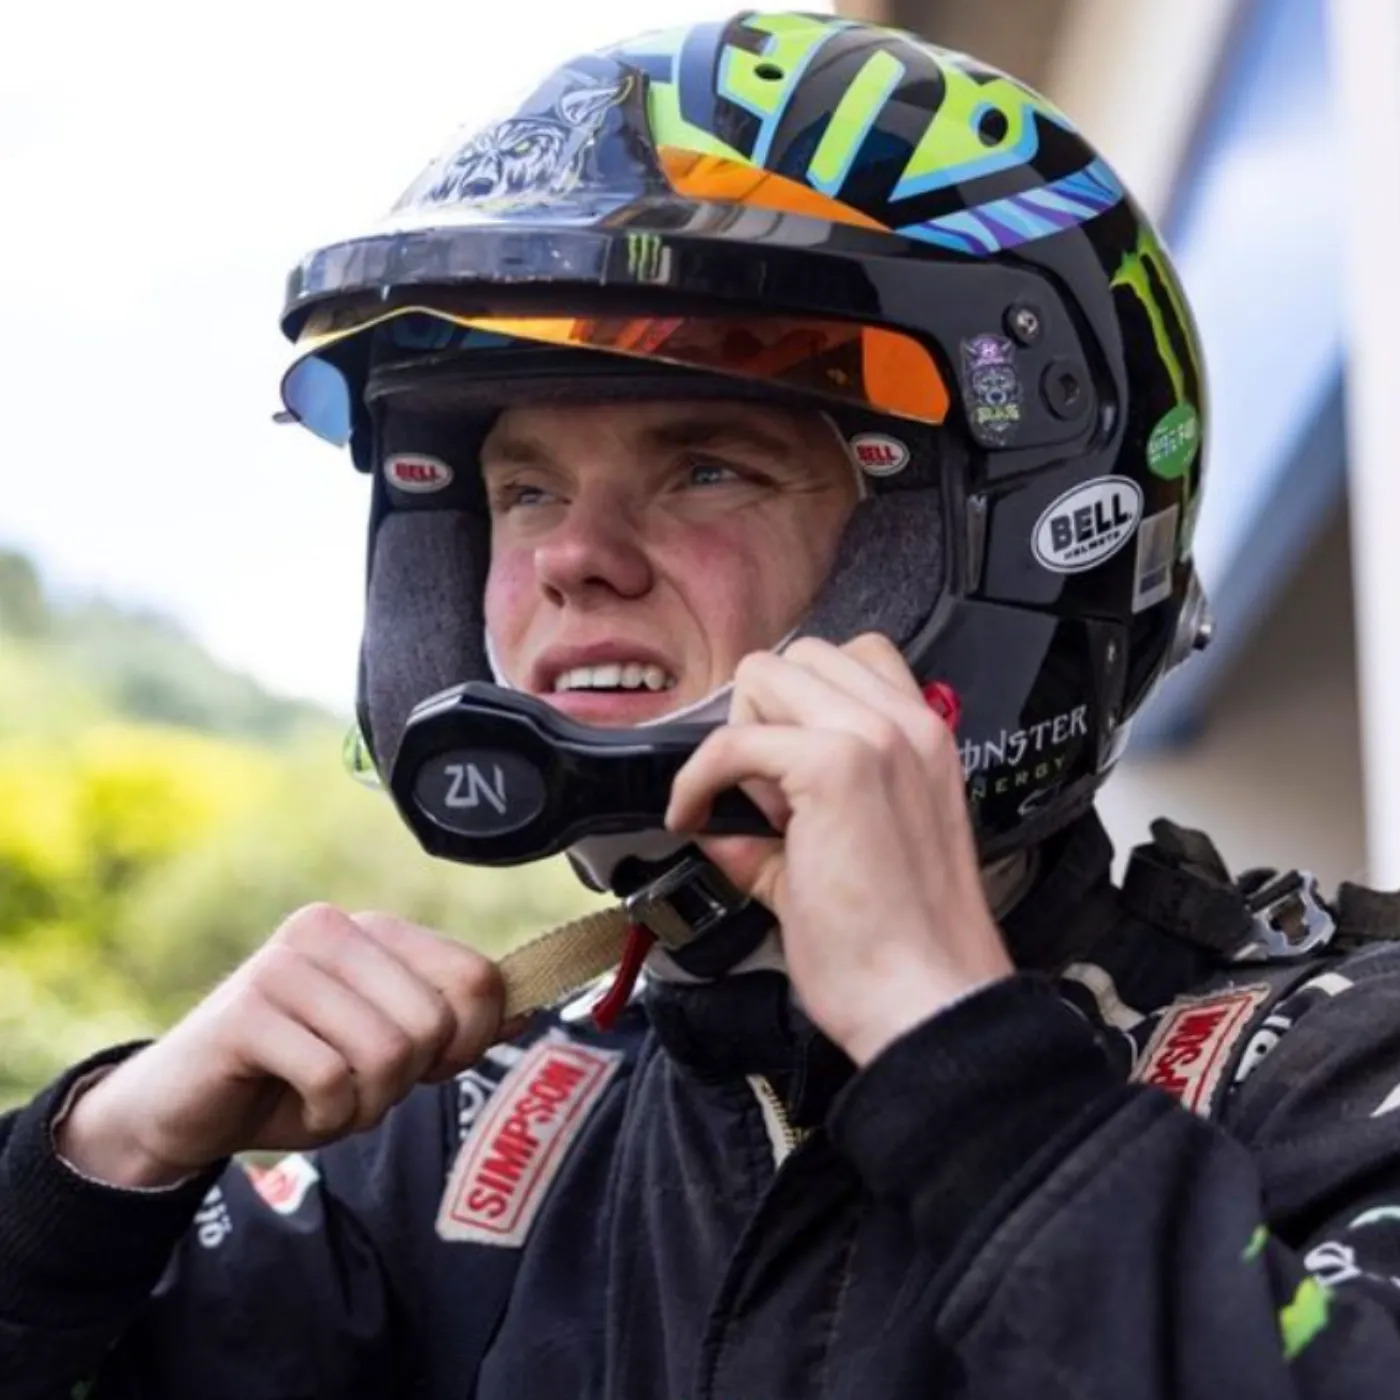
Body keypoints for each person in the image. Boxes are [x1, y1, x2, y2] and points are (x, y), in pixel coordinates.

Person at [6, 11, 1400, 1398]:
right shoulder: (476, 1142)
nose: (570, 558)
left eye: (707, 469)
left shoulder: (1335, 1061)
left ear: (994, 536)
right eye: (523, 489)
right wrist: (99, 1165)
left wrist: (953, 1050)